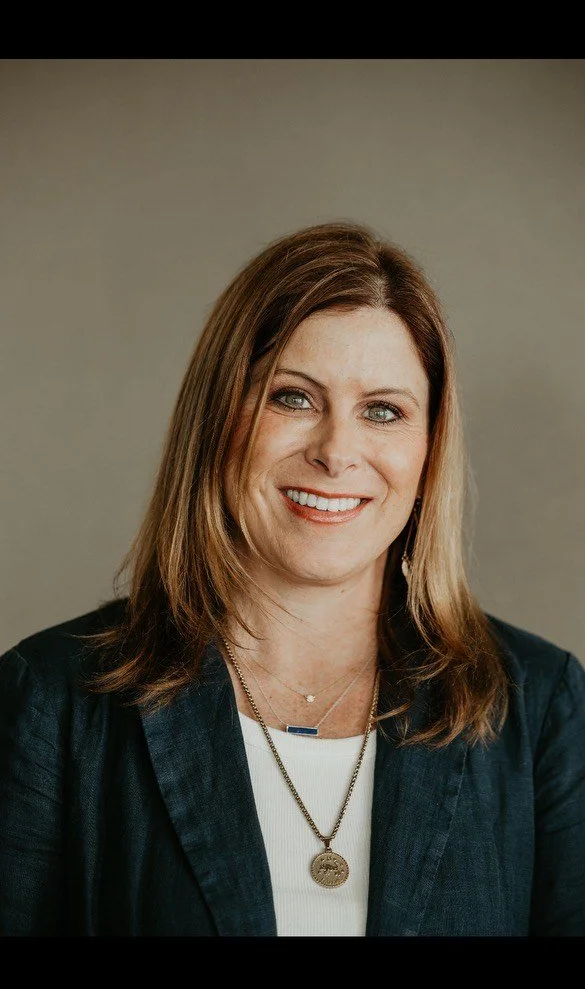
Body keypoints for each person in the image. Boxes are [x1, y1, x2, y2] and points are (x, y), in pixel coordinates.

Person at [1, 219, 584, 938]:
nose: (337, 451)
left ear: (428, 451)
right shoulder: (53, 698)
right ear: (218, 421)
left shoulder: (538, 702)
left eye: (382, 411)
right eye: (293, 397)